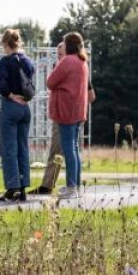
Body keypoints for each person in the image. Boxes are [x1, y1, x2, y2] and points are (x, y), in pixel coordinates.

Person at [33, 43, 96, 195]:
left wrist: (70, 100)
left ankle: (52, 185)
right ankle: (63, 184)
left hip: (66, 113)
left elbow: (91, 95)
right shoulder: (80, 65)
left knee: (60, 149)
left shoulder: (68, 66)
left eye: (61, 54)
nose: (59, 58)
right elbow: (90, 95)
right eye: (58, 55)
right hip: (74, 114)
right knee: (69, 149)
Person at [45, 32, 91, 199]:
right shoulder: (82, 62)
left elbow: (50, 82)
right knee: (75, 148)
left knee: (68, 148)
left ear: (68, 45)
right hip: (78, 110)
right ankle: (76, 185)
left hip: (66, 110)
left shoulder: (67, 61)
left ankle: (71, 187)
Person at [0, 28, 35, 202]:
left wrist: (11, 96)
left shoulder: (5, 62)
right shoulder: (28, 62)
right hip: (25, 108)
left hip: (11, 107)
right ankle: (24, 186)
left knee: (9, 149)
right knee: (23, 147)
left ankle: (13, 187)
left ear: (5, 44)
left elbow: (2, 86)